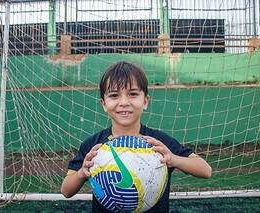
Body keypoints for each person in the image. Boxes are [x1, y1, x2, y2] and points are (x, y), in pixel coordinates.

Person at [61, 61, 212, 212]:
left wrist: (173, 159)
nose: (124, 102)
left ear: (145, 101)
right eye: (114, 95)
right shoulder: (93, 146)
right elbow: (66, 191)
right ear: (104, 104)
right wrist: (82, 173)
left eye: (133, 94)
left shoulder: (159, 143)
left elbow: (205, 170)